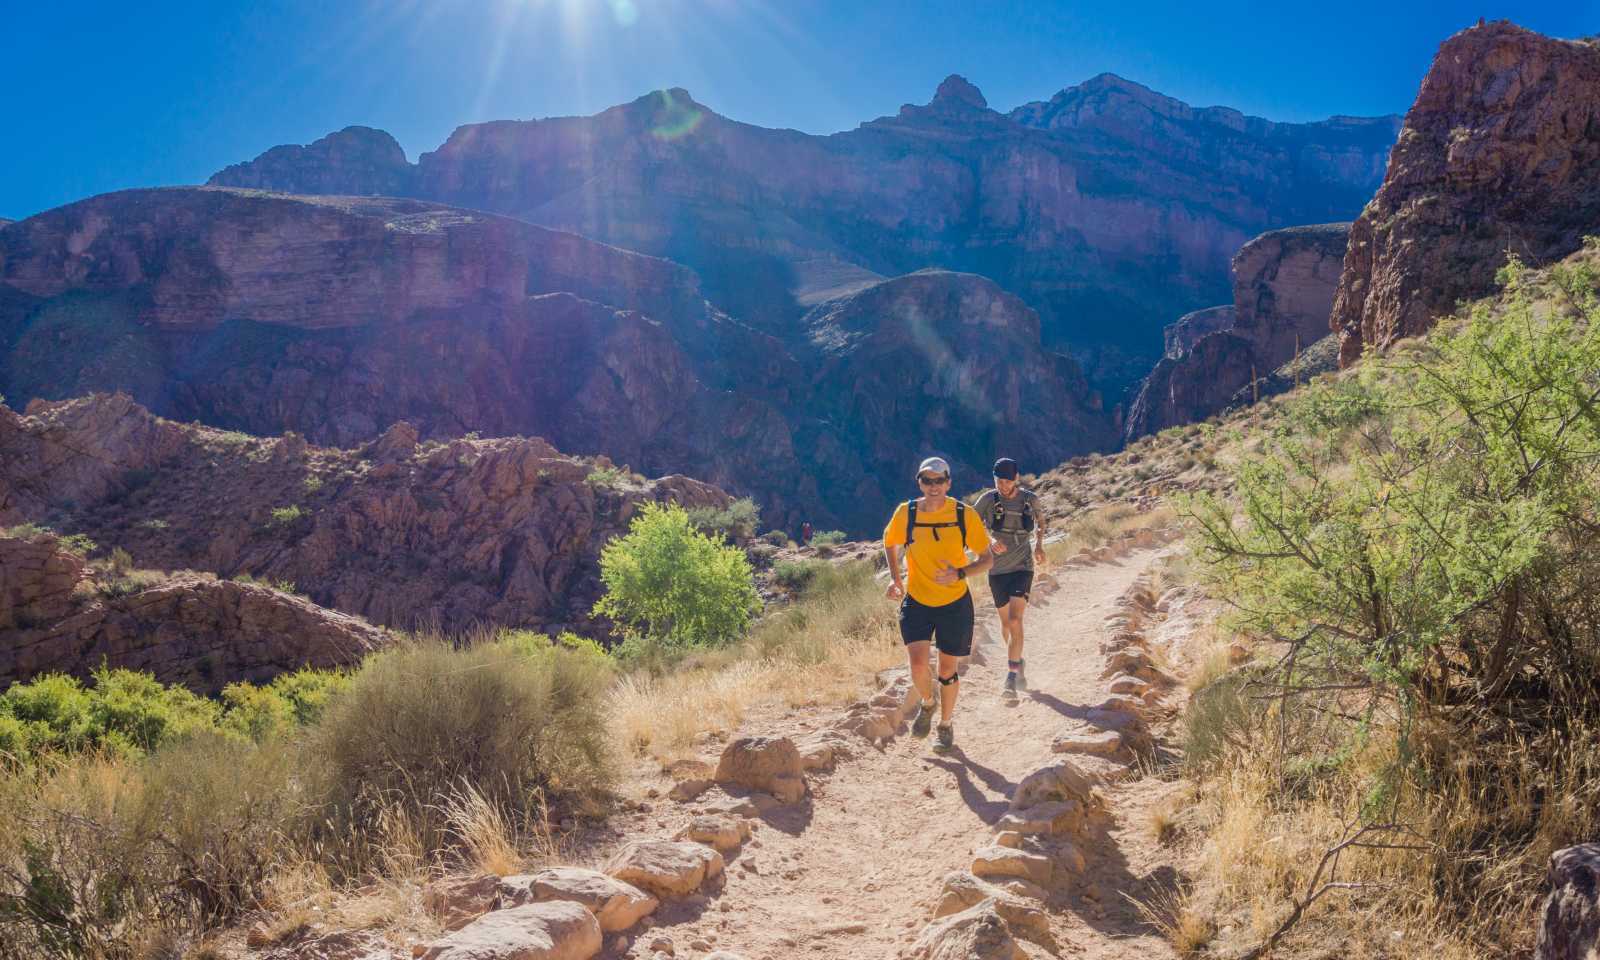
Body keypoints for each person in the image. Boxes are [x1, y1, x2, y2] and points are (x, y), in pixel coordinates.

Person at [883, 456, 994, 752]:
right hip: (917, 600)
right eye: (927, 480)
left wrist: (959, 573)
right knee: (918, 665)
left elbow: (987, 559)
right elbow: (889, 542)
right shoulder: (906, 513)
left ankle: (945, 726)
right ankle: (928, 703)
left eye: (939, 480)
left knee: (947, 671)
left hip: (954, 603)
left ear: (948, 483)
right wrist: (896, 579)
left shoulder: (963, 515)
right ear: (919, 482)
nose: (933, 486)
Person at [972, 457, 1047, 699]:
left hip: (1023, 566)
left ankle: (1011, 677)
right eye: (998, 480)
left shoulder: (1029, 499)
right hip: (996, 569)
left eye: (1006, 480)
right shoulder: (988, 499)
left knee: (1015, 620)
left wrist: (1039, 546)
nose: (1002, 485)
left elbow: (1041, 523)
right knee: (1006, 626)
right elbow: (971, 524)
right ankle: (1018, 660)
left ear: (1015, 478)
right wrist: (989, 541)